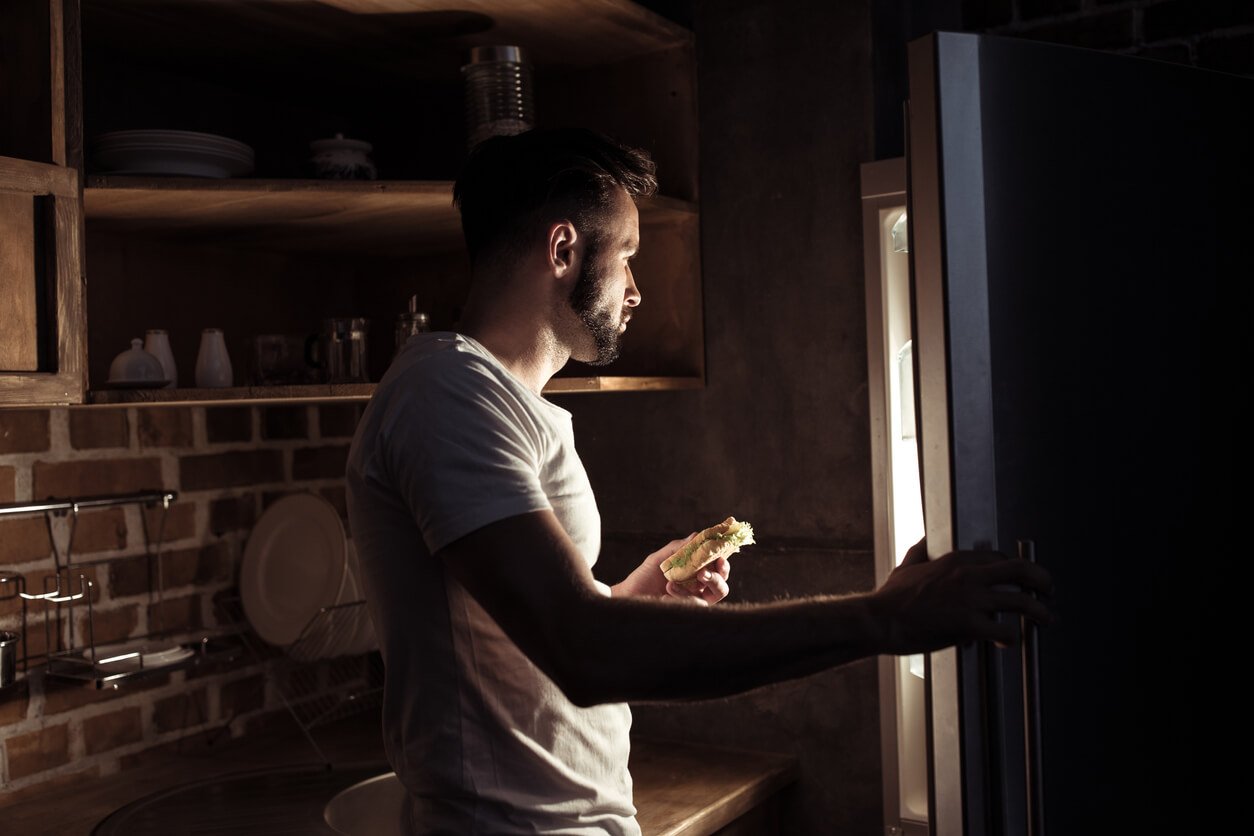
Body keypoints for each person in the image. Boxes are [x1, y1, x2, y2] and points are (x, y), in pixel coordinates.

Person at [345, 127, 1052, 835]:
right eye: (626, 257)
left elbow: (524, 632)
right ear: (563, 251)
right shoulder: (446, 394)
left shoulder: (496, 402)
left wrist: (631, 596)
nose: (636, 291)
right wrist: (885, 617)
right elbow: (583, 649)